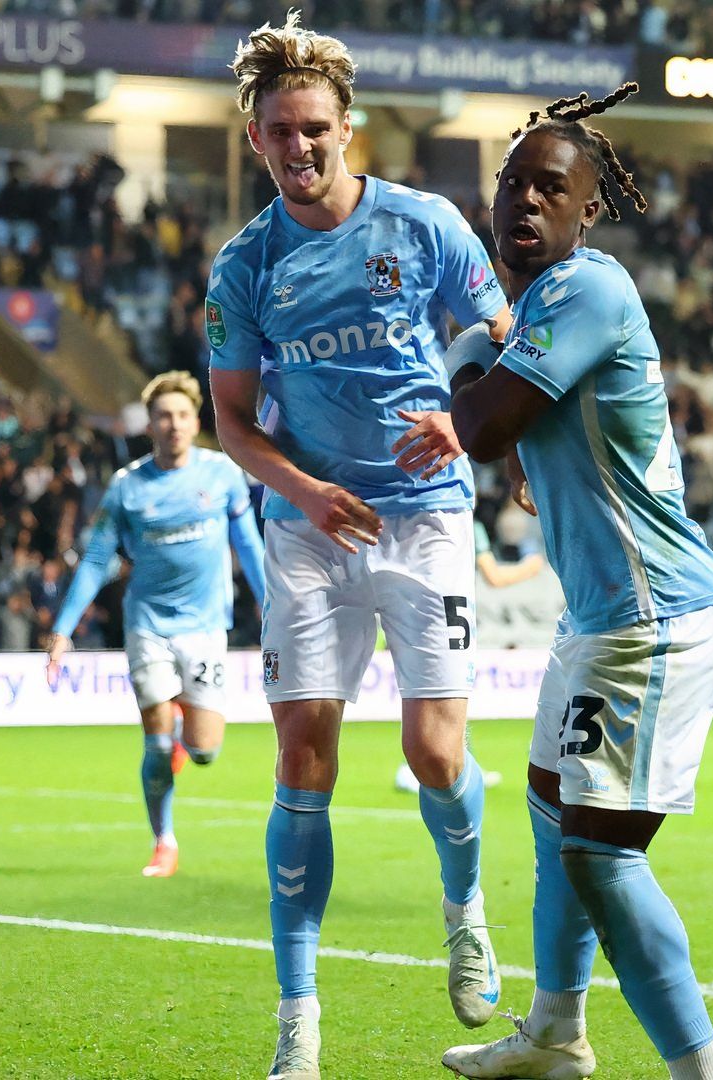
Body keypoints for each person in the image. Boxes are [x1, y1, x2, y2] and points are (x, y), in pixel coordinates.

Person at [201, 16, 513, 1075]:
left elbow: (499, 337)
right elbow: (233, 424)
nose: (300, 148)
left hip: (424, 513)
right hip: (304, 526)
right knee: (305, 761)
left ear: (350, 129)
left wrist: (461, 418)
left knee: (435, 753)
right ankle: (299, 1020)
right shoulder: (244, 268)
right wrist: (305, 490)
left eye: (316, 129)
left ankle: (465, 911)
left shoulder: (423, 226)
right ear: (256, 139)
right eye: (281, 132)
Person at [443, 82, 713, 1080]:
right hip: (601, 619)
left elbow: (481, 426)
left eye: (550, 190)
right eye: (513, 186)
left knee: (601, 855)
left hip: (652, 619)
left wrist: (465, 360)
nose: (526, 203)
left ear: (587, 210)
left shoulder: (584, 290)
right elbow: (511, 428)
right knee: (548, 806)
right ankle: (558, 1034)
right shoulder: (540, 308)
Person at [46, 371, 268, 878]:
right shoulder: (128, 487)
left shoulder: (221, 475)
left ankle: (178, 740)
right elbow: (97, 559)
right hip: (147, 626)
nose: (174, 424)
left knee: (205, 749)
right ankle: (163, 841)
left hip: (207, 626)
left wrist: (270, 605)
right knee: (157, 739)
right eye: (164, 416)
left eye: (183, 415)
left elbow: (249, 547)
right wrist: (63, 630)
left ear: (195, 421)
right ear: (150, 423)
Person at [393, 516, 542, 793]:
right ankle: (426, 767)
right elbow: (494, 577)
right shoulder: (466, 521)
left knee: (431, 693)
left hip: (411, 606)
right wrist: (530, 568)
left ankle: (452, 764)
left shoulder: (415, 514)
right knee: (447, 694)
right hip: (445, 613)